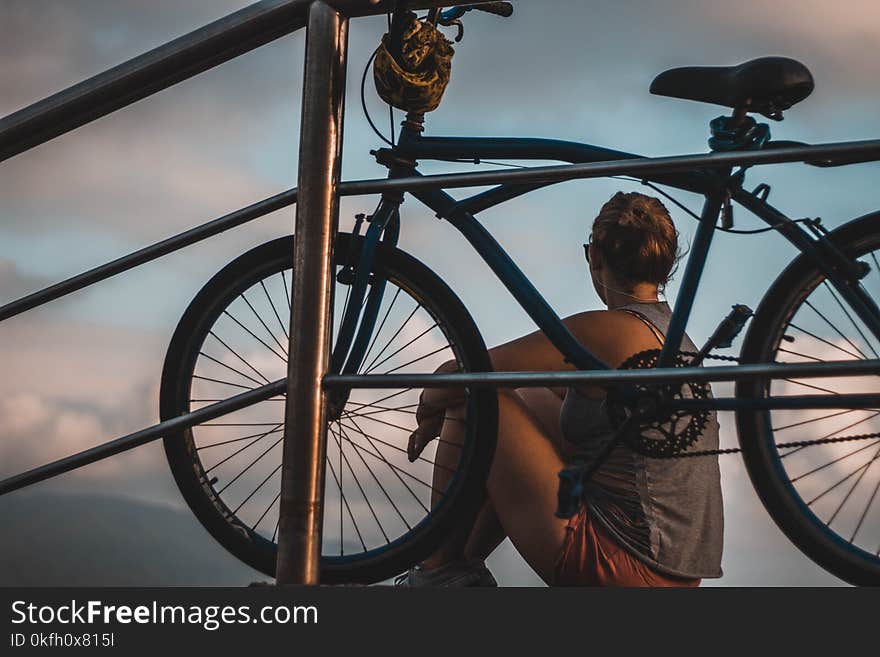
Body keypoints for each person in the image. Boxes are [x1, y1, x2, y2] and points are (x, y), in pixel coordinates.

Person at [396, 191, 724, 587]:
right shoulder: (674, 338)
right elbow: (538, 391)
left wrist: (429, 412)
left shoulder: (604, 332)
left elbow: (460, 373)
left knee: (478, 400)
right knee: (526, 395)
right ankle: (460, 567)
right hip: (675, 577)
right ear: (665, 265)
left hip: (621, 565)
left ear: (594, 256)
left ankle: (437, 573)